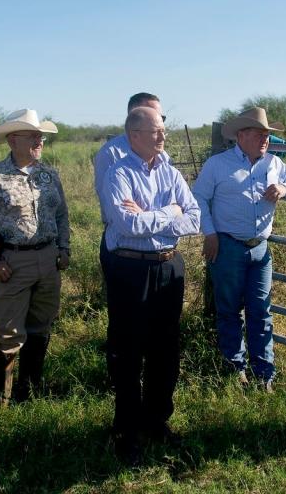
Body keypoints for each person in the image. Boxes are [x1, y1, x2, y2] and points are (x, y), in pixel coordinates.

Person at [101, 106, 199, 465]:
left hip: (168, 267)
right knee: (128, 350)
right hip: (131, 268)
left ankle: (157, 421)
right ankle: (127, 431)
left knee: (165, 348)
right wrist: (169, 213)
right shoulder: (118, 174)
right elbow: (127, 225)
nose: (163, 136)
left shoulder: (171, 173)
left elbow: (194, 218)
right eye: (156, 131)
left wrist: (154, 216)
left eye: (163, 131)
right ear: (134, 135)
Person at [192, 107, 286, 391]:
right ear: (241, 135)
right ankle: (234, 368)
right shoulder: (218, 164)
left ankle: (264, 373)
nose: (265, 139)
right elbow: (199, 199)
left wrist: (283, 189)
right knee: (229, 310)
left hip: (260, 249)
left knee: (261, 311)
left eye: (267, 134)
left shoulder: (274, 164)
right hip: (227, 245)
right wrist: (210, 233)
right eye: (259, 133)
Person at [0, 109, 70, 404]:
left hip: (48, 260)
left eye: (41, 135)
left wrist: (64, 248)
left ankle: (28, 391)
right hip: (13, 263)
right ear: (13, 140)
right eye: (33, 135)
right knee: (7, 332)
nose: (39, 140)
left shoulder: (49, 175)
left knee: (41, 325)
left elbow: (62, 215)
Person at [92, 93, 163, 375]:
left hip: (156, 250)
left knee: (155, 319)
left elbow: (184, 210)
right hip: (122, 248)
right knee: (124, 317)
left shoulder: (161, 154)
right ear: (134, 120)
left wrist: (148, 213)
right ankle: (120, 376)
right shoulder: (111, 153)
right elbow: (118, 211)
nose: (160, 129)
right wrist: (164, 213)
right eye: (153, 120)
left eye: (162, 121)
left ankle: (146, 372)